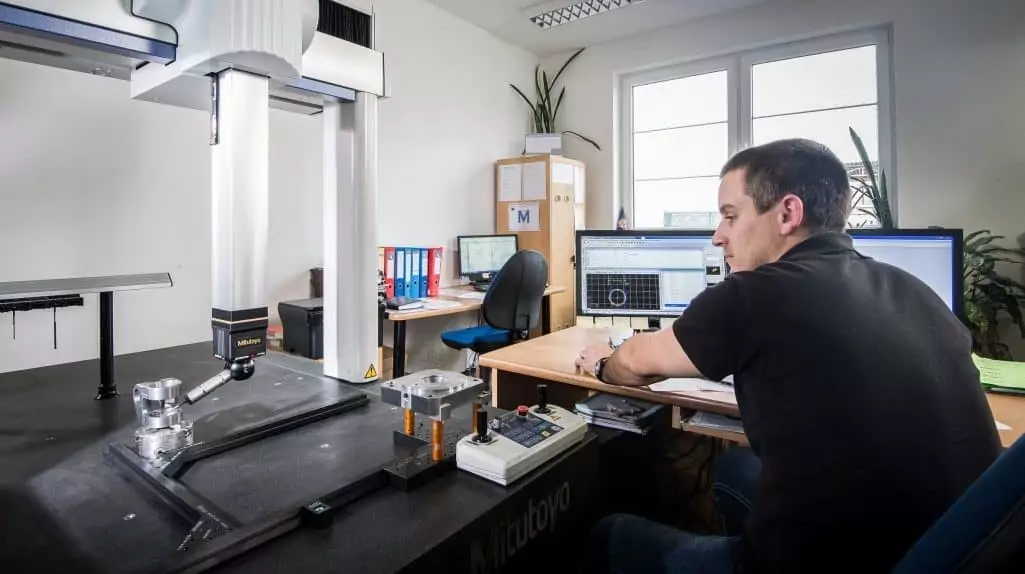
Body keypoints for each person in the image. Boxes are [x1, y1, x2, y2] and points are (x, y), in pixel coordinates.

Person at [577, 139, 1002, 573]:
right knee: (733, 467)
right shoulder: (916, 290)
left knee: (609, 534)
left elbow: (632, 363)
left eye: (730, 216)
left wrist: (599, 362)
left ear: (788, 214)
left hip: (830, 562)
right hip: (949, 551)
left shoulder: (752, 294)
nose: (717, 235)